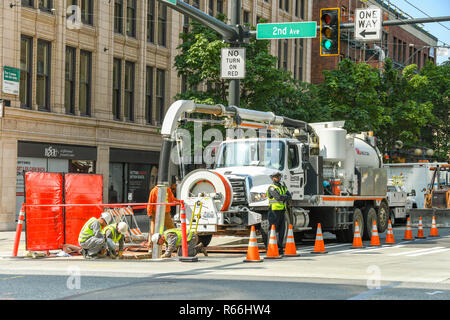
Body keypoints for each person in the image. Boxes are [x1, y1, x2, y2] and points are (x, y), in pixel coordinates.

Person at [147, 185, 181, 252]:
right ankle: (150, 246)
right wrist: (149, 213)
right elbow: (150, 202)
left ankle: (174, 244)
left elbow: (171, 199)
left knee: (172, 229)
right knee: (153, 230)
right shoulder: (154, 191)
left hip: (166, 212)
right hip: (155, 212)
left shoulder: (168, 189)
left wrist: (179, 201)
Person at [266, 172, 291, 256]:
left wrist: (284, 197)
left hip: (282, 211)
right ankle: (271, 248)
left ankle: (280, 249)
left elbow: (289, 196)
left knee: (281, 230)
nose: (278, 178)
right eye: (276, 176)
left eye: (279, 176)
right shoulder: (272, 188)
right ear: (273, 178)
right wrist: (284, 197)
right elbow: (278, 197)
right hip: (273, 211)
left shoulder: (283, 187)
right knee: (273, 230)